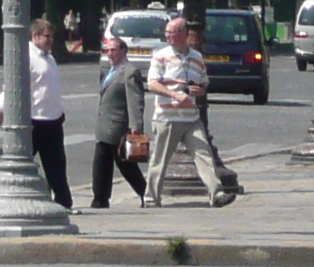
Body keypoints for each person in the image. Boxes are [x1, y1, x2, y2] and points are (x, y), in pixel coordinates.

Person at [145, 14, 244, 206]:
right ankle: (151, 199)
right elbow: (152, 84)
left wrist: (200, 91)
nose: (168, 36)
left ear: (183, 33)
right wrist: (175, 95)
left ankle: (216, 194)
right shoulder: (161, 56)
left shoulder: (197, 57)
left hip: (191, 117)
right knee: (159, 159)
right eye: (166, 33)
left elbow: (204, 83)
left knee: (204, 154)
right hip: (167, 116)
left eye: (171, 33)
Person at [89, 31, 143, 210]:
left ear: (123, 51)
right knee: (101, 166)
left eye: (113, 50)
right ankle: (100, 199)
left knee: (127, 167)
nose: (110, 53)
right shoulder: (107, 71)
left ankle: (145, 193)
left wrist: (136, 126)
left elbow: (135, 101)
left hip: (118, 128)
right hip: (105, 127)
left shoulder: (130, 72)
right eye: (107, 50)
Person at [23, 17, 72, 211]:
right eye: (47, 36)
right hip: (34, 120)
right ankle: (24, 199)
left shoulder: (49, 57)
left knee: (57, 166)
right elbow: (11, 86)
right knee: (23, 165)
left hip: (53, 119)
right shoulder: (26, 56)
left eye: (52, 36)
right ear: (35, 36)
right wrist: (2, 110)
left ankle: (64, 204)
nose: (50, 40)